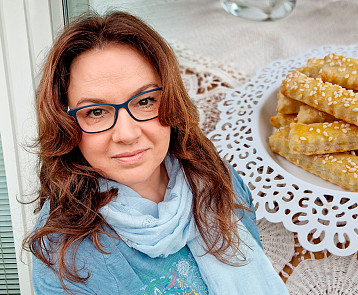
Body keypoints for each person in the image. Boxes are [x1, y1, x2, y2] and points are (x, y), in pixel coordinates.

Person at [24, 11, 289, 295]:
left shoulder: (212, 176)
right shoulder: (66, 260)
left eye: (146, 101)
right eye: (96, 112)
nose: (127, 134)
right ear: (65, 123)